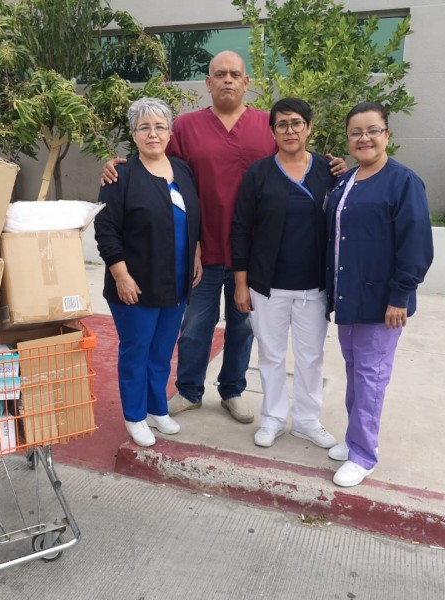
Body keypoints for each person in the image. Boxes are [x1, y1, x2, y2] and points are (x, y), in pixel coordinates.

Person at [103, 51, 346, 425]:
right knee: (195, 327)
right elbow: (159, 165)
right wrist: (117, 164)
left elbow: (296, 159)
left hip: (252, 253)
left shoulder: (266, 127)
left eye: (235, 74)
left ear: (246, 82)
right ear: (209, 82)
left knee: (243, 327)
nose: (228, 80)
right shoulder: (185, 126)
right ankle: (189, 389)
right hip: (202, 248)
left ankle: (232, 390)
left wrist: (335, 169)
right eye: (220, 74)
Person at [324, 101, 433, 487]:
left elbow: (416, 245)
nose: (364, 138)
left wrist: (400, 296)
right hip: (349, 296)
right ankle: (355, 437)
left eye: (373, 130)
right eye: (356, 132)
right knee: (355, 372)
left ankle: (364, 454)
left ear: (387, 134)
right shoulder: (348, 180)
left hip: (382, 303)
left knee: (371, 377)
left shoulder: (403, 182)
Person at [94, 97, 202, 447]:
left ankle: (157, 408)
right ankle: (135, 416)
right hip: (135, 284)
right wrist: (121, 275)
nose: (152, 134)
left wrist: (197, 254)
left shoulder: (183, 171)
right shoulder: (120, 175)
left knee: (162, 350)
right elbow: (106, 230)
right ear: (134, 134)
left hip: (176, 281)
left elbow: (193, 220)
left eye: (159, 126)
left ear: (170, 132)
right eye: (144, 127)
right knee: (136, 350)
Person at [231, 98, 338, 450]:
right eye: (282, 125)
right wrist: (242, 284)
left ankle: (307, 421)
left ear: (308, 127)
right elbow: (241, 229)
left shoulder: (328, 170)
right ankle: (274, 418)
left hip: (314, 287)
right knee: (271, 355)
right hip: (268, 285)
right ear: (273, 131)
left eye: (296, 123)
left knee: (310, 357)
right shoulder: (259, 173)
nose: (289, 131)